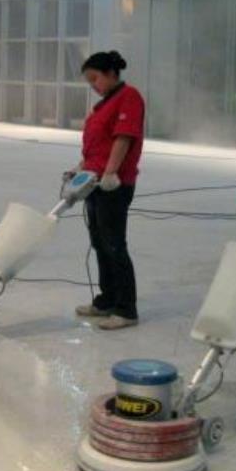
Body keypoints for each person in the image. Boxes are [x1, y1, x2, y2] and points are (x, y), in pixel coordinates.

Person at [69, 51, 145, 330]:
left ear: (111, 73)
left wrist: (111, 172)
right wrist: (81, 168)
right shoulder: (103, 105)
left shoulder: (129, 97)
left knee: (114, 244)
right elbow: (96, 146)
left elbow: (123, 138)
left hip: (113, 184)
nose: (93, 86)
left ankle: (126, 309)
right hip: (93, 182)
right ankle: (107, 300)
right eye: (89, 81)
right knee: (99, 243)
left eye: (95, 79)